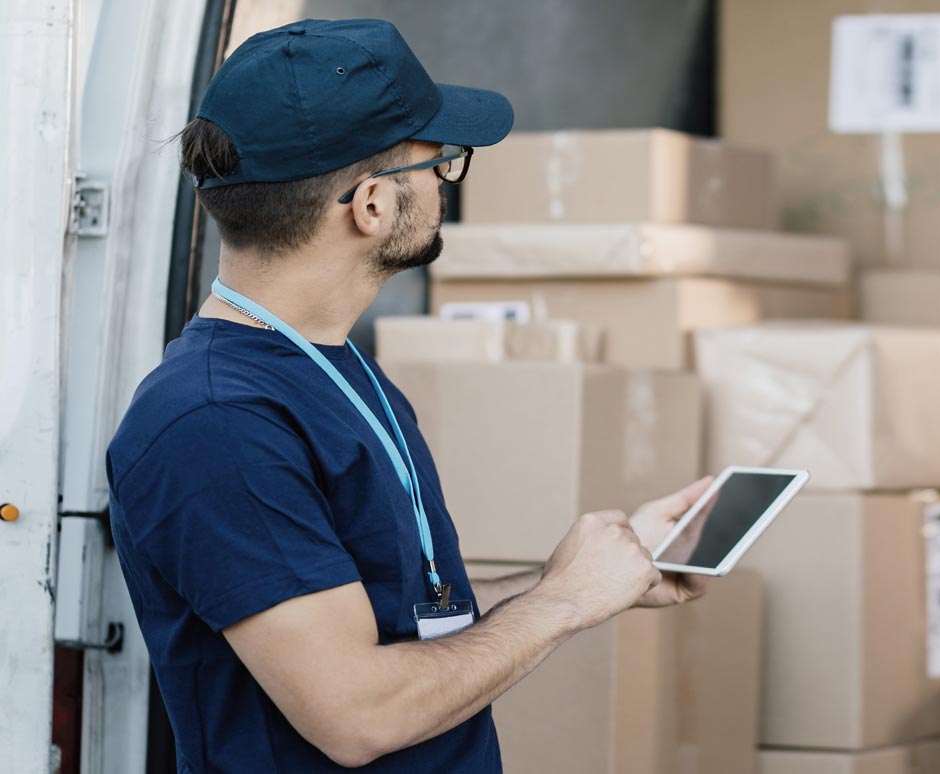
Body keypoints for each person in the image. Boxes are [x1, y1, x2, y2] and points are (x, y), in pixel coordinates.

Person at [107, 19, 711, 772]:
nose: (446, 183)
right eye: (439, 163)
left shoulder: (335, 368)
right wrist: (563, 603)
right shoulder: (216, 424)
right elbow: (357, 712)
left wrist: (592, 576)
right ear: (371, 205)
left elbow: (399, 613)